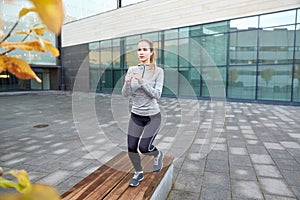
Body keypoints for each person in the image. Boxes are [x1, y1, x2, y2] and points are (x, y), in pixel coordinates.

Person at [122, 38, 164, 187]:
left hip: (153, 116)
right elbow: (125, 94)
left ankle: (157, 154)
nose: (141, 52)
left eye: (145, 49)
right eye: (139, 50)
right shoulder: (132, 69)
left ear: (151, 52)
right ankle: (138, 173)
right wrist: (127, 83)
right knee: (131, 148)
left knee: (144, 148)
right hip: (136, 115)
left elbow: (157, 94)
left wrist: (141, 82)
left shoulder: (158, 71)